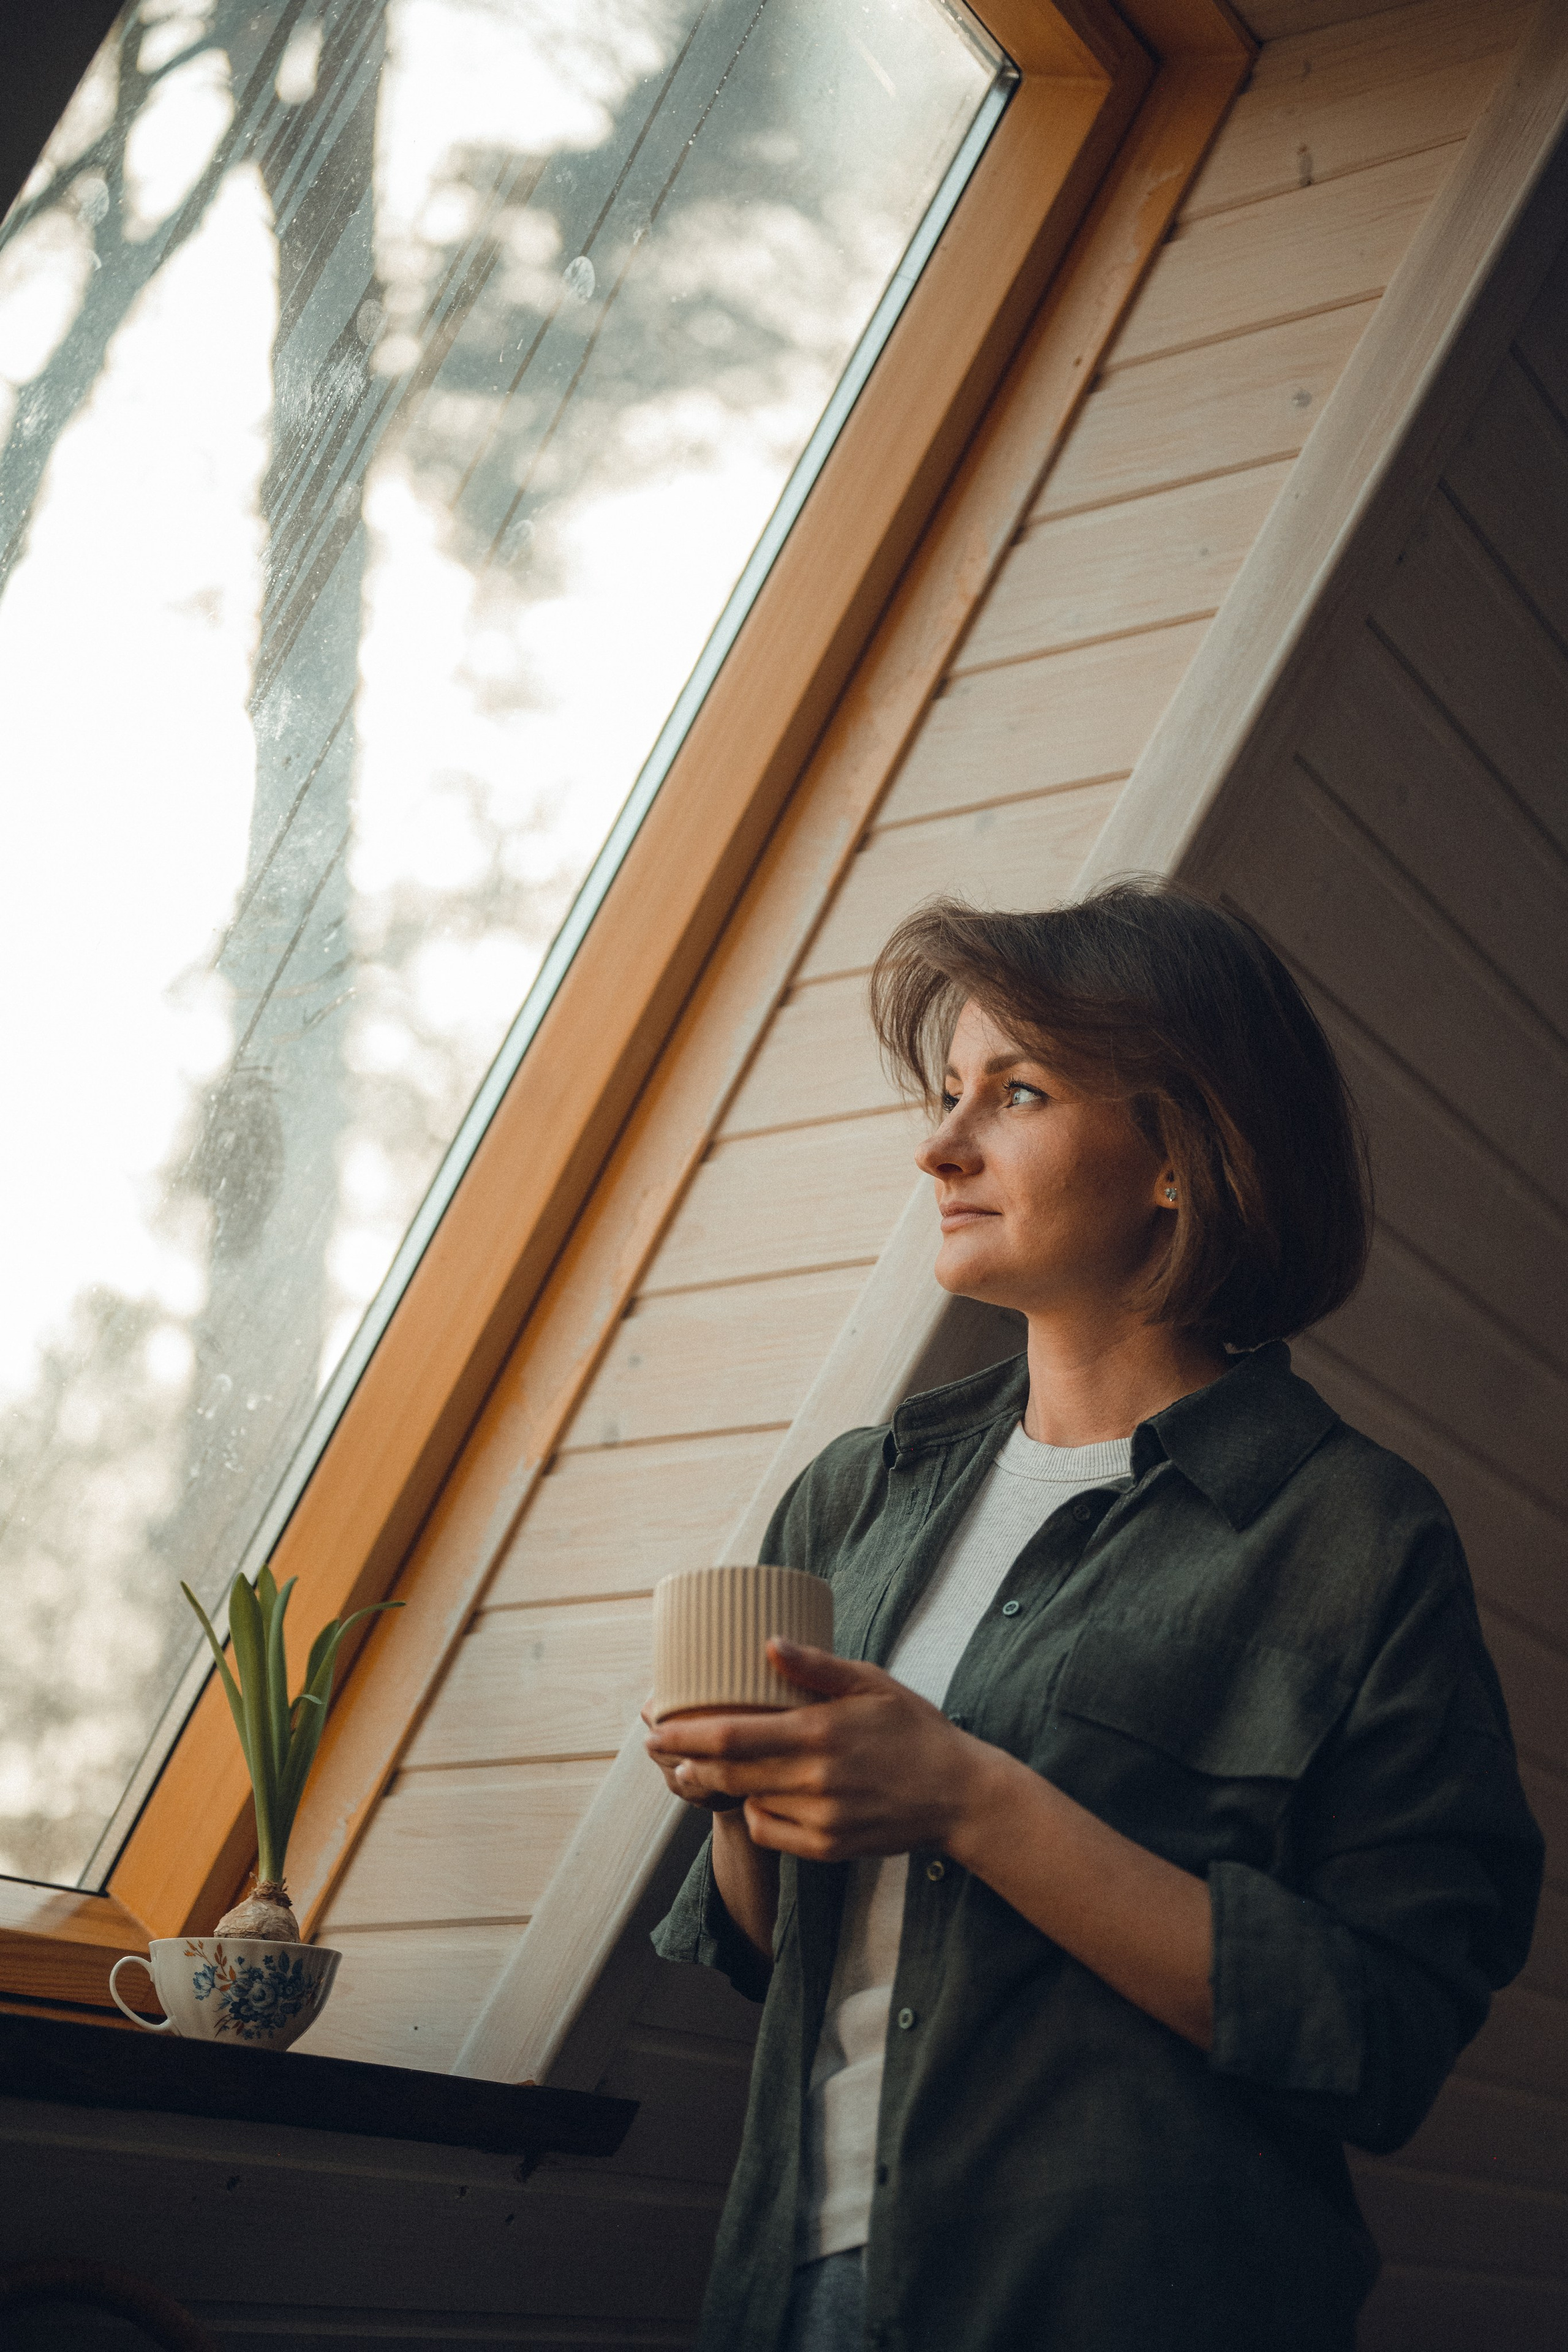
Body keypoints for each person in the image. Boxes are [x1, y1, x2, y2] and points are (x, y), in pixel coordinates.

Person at [645, 881, 1542, 2352]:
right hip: (794, 2296)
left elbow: (1377, 2038)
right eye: (945, 1095)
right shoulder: (851, 1500)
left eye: (1016, 1092)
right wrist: (745, 1798)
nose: (939, 1146)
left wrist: (966, 1797)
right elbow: (769, 1956)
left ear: (1179, 1155)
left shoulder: (1352, 1538)